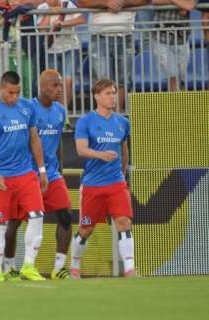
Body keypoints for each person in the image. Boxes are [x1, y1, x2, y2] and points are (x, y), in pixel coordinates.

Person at [0, 71, 48, 282]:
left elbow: (34, 139)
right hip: (2, 176)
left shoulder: (27, 107)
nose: (14, 97)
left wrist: (42, 169)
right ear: (1, 88)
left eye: (17, 93)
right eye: (10, 93)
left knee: (37, 217)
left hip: (26, 174)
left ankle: (28, 266)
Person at [2, 70, 72, 280]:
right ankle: (9, 266)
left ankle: (59, 267)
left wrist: (58, 169)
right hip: (26, 174)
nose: (59, 90)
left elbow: (58, 141)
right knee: (14, 223)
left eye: (60, 85)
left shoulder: (60, 111)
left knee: (66, 216)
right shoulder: (27, 108)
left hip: (51, 173)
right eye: (54, 85)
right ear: (42, 86)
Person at [71, 78, 135, 279]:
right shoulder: (85, 121)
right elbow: (80, 149)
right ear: (97, 96)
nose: (113, 97)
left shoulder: (122, 122)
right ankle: (74, 266)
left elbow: (124, 152)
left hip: (116, 184)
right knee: (86, 229)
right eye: (108, 93)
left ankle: (130, 270)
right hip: (92, 186)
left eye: (114, 92)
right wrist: (101, 155)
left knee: (124, 222)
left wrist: (122, 174)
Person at [78, 0, 149, 113]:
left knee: (123, 80)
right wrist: (106, 3)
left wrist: (123, 3)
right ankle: (104, 117)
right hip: (99, 36)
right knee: (102, 81)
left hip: (126, 35)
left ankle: (116, 117)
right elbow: (81, 2)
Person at [37, 0, 86, 107]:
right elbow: (41, 29)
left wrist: (63, 23)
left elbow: (82, 19)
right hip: (51, 50)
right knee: (53, 83)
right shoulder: (42, 7)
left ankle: (64, 113)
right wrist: (49, 13)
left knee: (68, 81)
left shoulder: (67, 4)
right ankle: (55, 111)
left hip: (71, 47)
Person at [151, 0, 198, 91]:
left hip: (182, 39)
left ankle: (179, 97)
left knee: (181, 75)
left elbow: (189, 5)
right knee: (173, 75)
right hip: (161, 38)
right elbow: (155, 1)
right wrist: (180, 3)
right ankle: (177, 102)